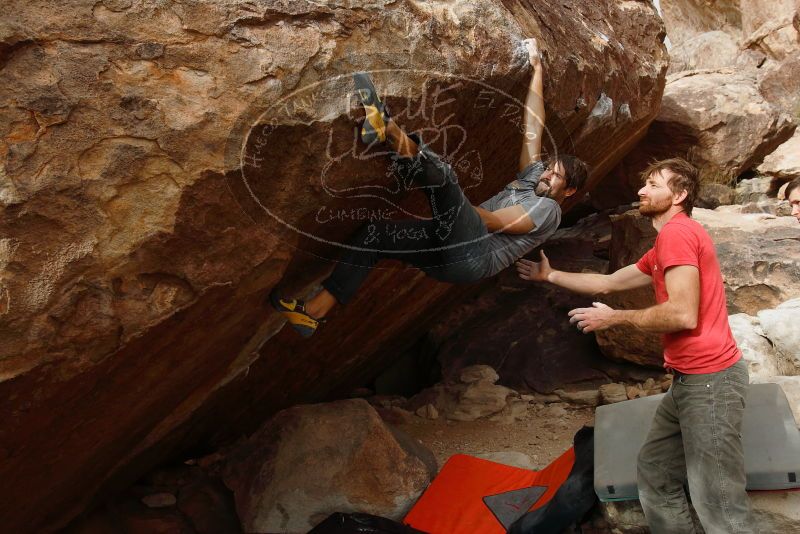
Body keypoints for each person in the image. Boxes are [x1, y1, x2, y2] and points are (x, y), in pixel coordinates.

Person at [271, 38, 588, 337]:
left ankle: (388, 130)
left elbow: (490, 221)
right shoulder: (534, 177)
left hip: (472, 255)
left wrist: (447, 203)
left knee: (445, 179)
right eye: (548, 169)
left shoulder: (549, 210)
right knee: (375, 235)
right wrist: (537, 70)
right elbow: (533, 126)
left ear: (569, 190)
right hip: (446, 246)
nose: (546, 175)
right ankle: (313, 312)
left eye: (555, 176)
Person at [517, 158, 757, 533]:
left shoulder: (678, 234)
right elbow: (609, 283)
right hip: (687, 382)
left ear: (679, 195)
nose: (642, 191)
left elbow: (681, 315)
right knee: (657, 474)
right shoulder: (666, 242)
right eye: (644, 182)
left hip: (712, 382)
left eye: (654, 185)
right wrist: (550, 275)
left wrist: (614, 318)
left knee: (720, 502)